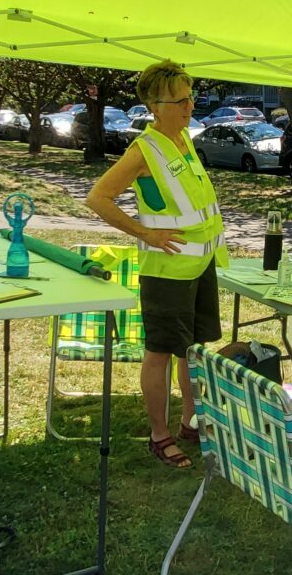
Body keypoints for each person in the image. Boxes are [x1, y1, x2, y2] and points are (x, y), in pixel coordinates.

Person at [87, 60, 227, 469]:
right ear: (154, 106)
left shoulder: (183, 140)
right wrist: (144, 233)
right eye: (179, 100)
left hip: (200, 267)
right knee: (161, 353)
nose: (189, 107)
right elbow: (98, 197)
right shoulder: (143, 150)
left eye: (191, 98)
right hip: (166, 271)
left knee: (194, 351)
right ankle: (159, 435)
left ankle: (189, 422)